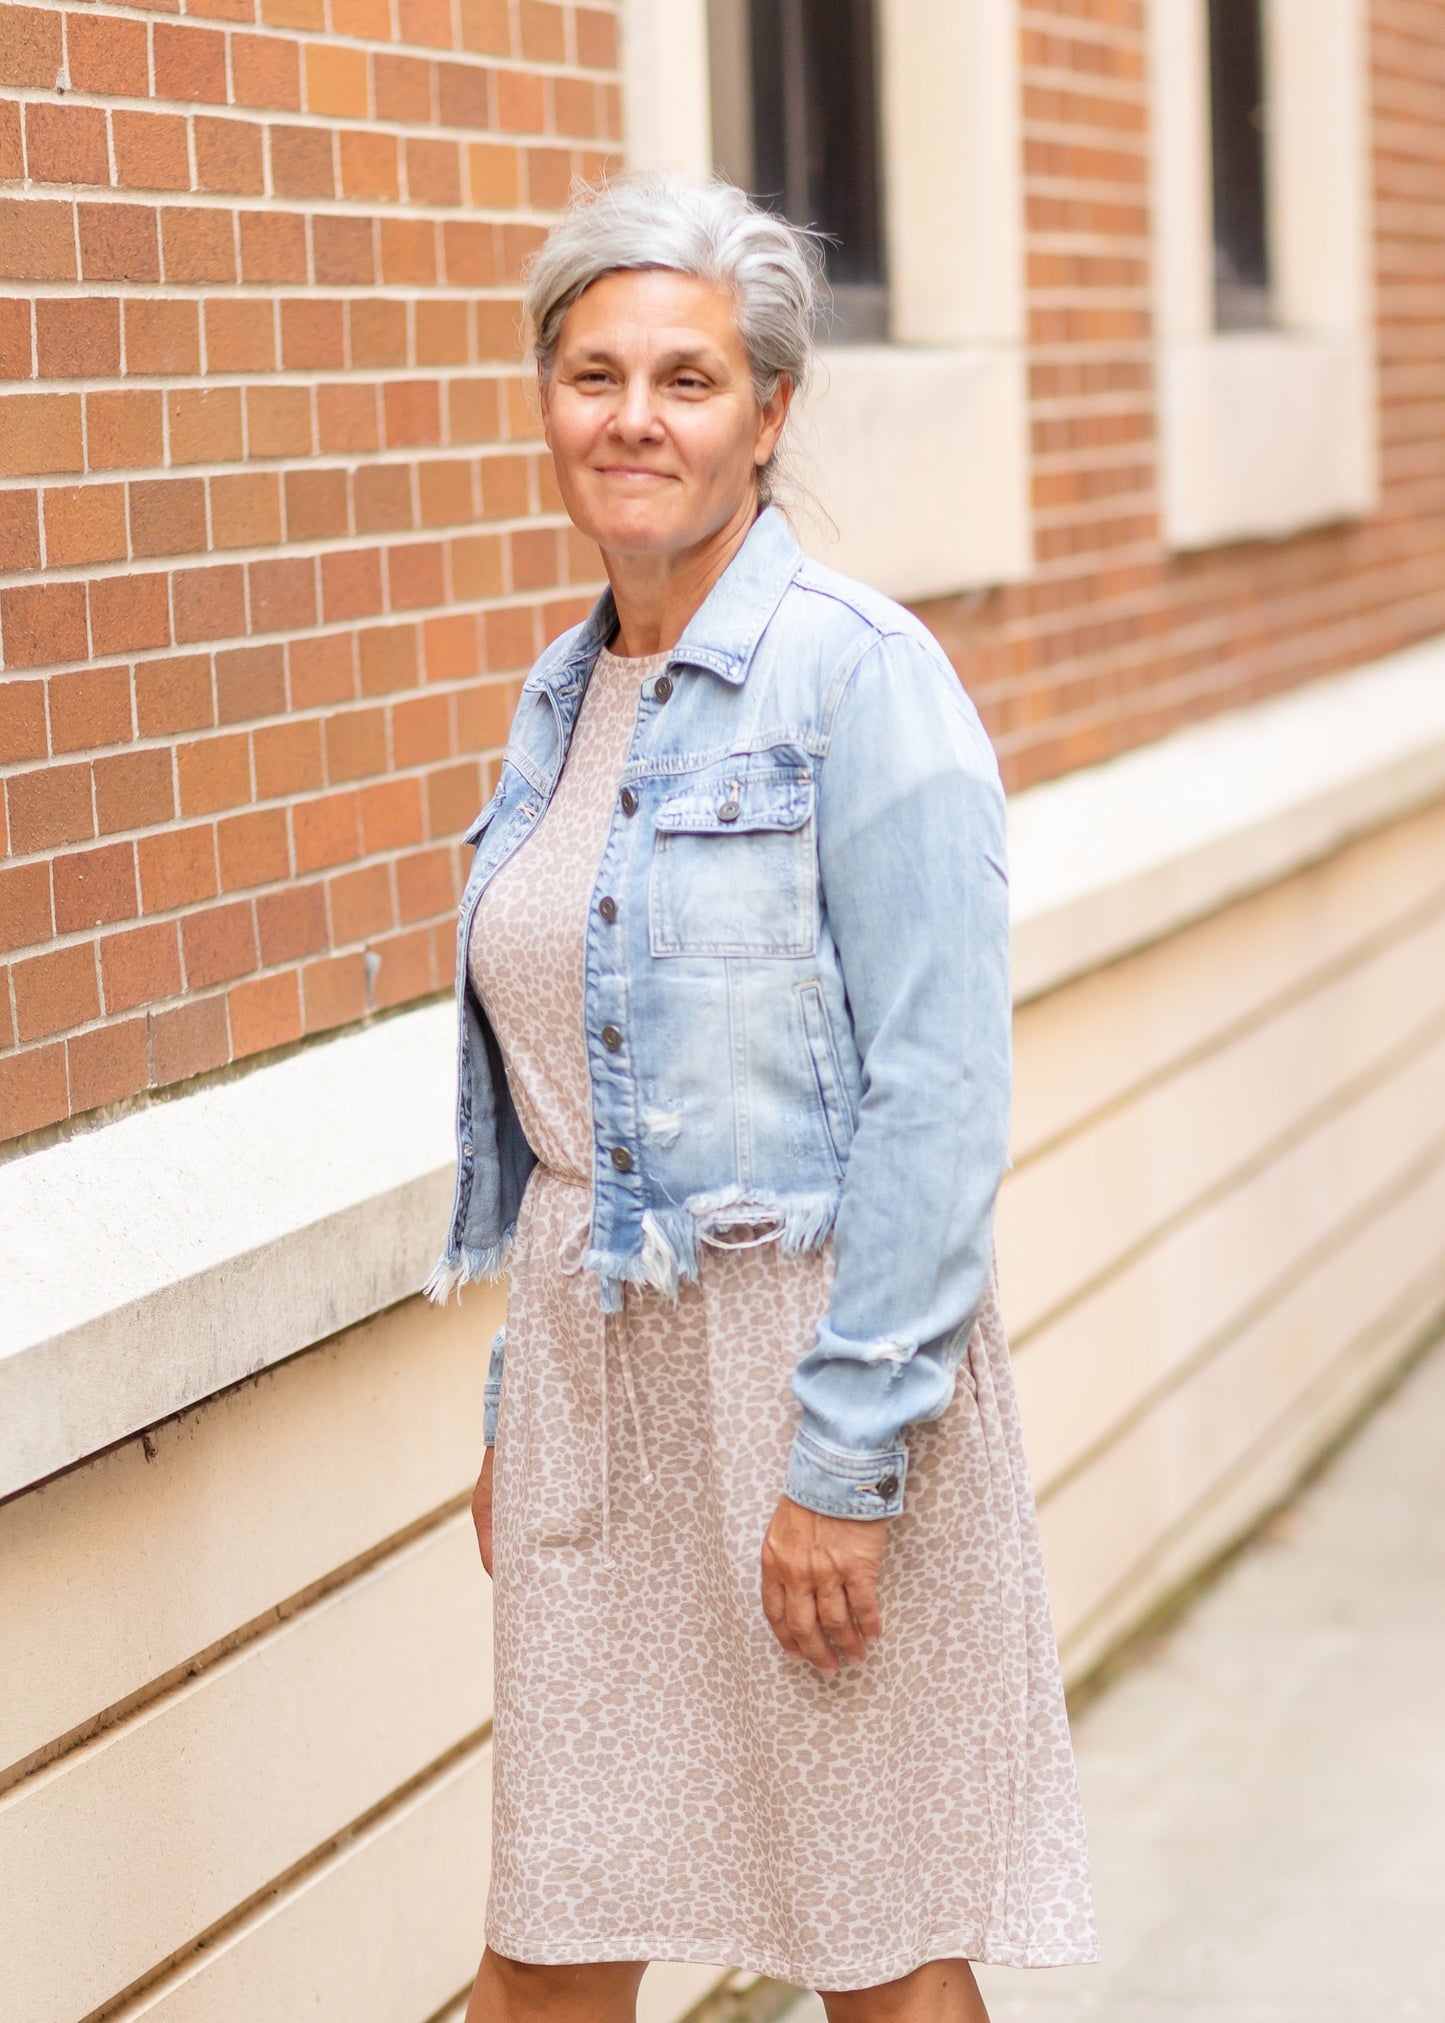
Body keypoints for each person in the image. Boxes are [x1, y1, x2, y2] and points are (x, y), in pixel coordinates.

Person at [427, 171, 1096, 2023]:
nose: (630, 417)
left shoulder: (859, 680)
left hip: (811, 1376)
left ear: (770, 414)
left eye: (687, 379)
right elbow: (567, 1097)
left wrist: (846, 1462)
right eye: (591, 373)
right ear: (547, 399)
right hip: (598, 1384)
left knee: (868, 1941)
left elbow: (940, 1103)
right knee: (553, 1929)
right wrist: (521, 1393)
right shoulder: (564, 699)